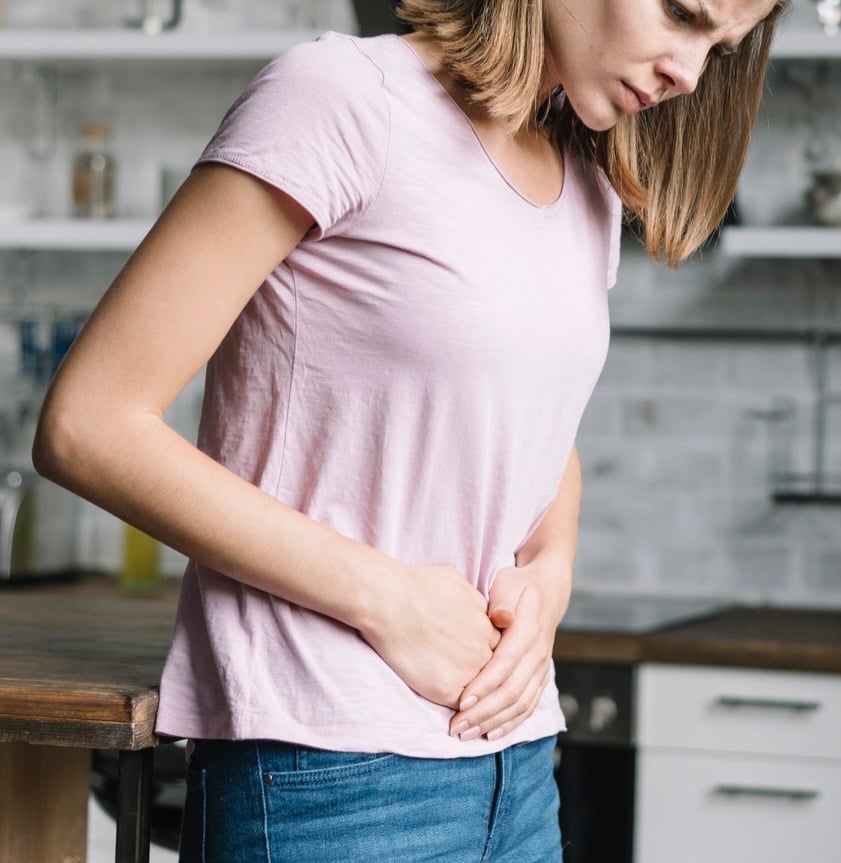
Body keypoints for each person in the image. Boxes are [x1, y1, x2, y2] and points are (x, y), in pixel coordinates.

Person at [33, 1, 787, 860]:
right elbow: (89, 423)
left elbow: (527, 427)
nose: (688, 72)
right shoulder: (343, 98)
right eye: (682, 14)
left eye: (717, 47)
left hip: (517, 768)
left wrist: (551, 571)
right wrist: (388, 601)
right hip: (326, 770)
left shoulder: (589, 176)